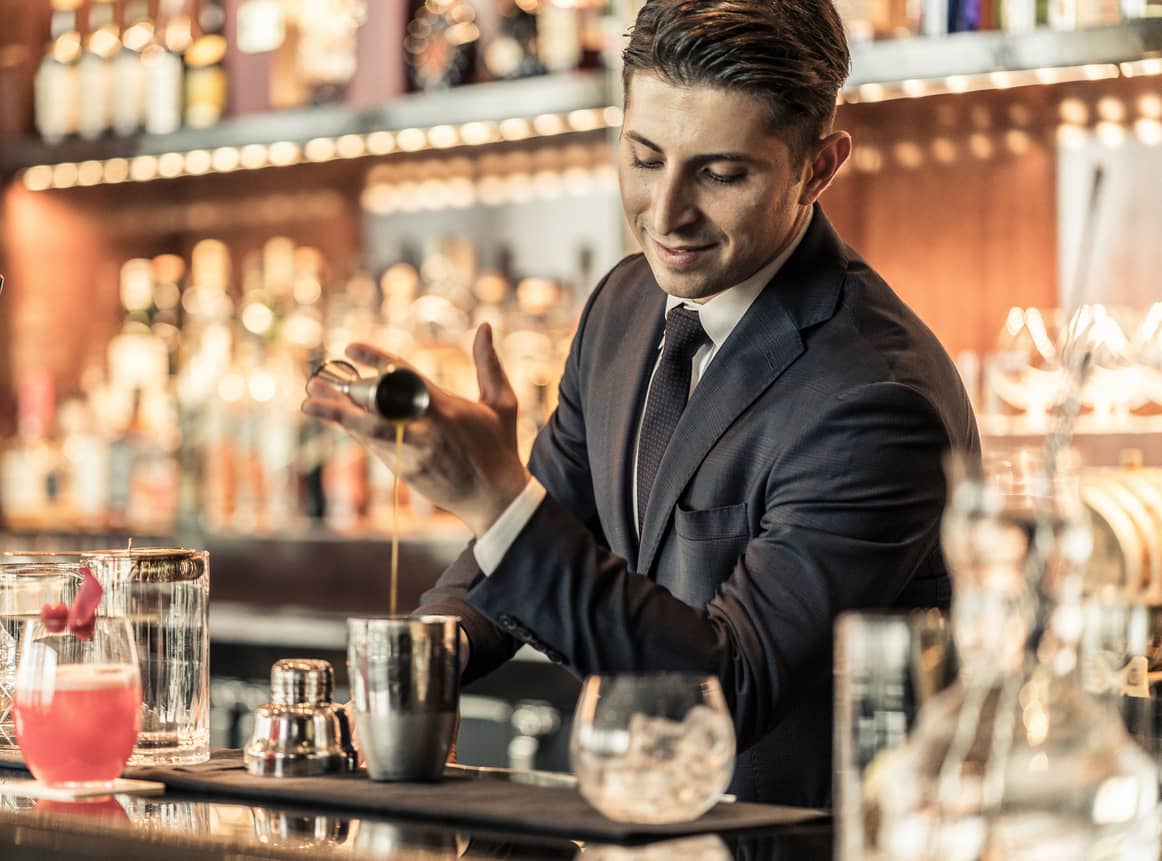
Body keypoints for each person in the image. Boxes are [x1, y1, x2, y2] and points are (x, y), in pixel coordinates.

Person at [302, 0, 977, 809]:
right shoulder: (625, 308)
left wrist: (493, 497)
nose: (666, 214)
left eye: (722, 173)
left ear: (818, 166)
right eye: (644, 158)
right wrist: (419, 658)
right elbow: (546, 526)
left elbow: (723, 689)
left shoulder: (874, 398)